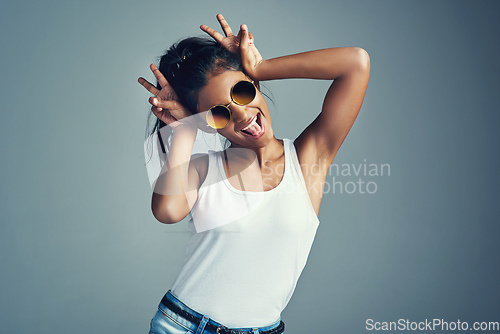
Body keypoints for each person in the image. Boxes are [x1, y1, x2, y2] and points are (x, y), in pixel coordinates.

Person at [138, 13, 370, 334]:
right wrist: (184, 131)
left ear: (255, 85)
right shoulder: (205, 168)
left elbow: (355, 63)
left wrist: (261, 67)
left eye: (243, 92)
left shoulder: (308, 159)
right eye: (219, 114)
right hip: (183, 326)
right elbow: (167, 211)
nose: (243, 115)